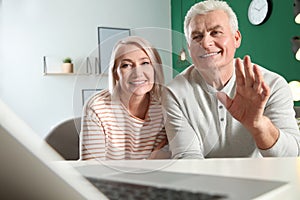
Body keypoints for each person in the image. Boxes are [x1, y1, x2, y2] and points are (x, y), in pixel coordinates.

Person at [163, 0, 300, 159]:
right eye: (197, 36)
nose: (206, 43)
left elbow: (291, 154)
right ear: (189, 47)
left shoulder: (272, 85)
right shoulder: (174, 92)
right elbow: (187, 158)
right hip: (205, 182)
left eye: (216, 32)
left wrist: (258, 125)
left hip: (266, 181)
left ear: (236, 38)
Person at [80, 36, 170, 160]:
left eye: (145, 63)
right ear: (115, 73)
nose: (138, 73)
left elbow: (163, 160)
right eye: (126, 65)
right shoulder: (97, 107)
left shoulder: (167, 103)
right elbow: (92, 168)